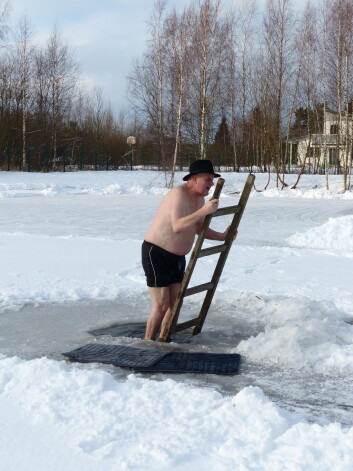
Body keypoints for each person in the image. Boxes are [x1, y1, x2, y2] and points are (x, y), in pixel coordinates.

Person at [142, 159, 233, 341]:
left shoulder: (199, 198)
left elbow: (198, 228)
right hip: (157, 253)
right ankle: (147, 343)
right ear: (193, 178)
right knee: (160, 305)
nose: (212, 183)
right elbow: (177, 226)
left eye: (212, 179)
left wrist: (222, 236)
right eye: (207, 179)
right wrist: (204, 211)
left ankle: (163, 339)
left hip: (177, 257)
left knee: (175, 304)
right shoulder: (178, 194)